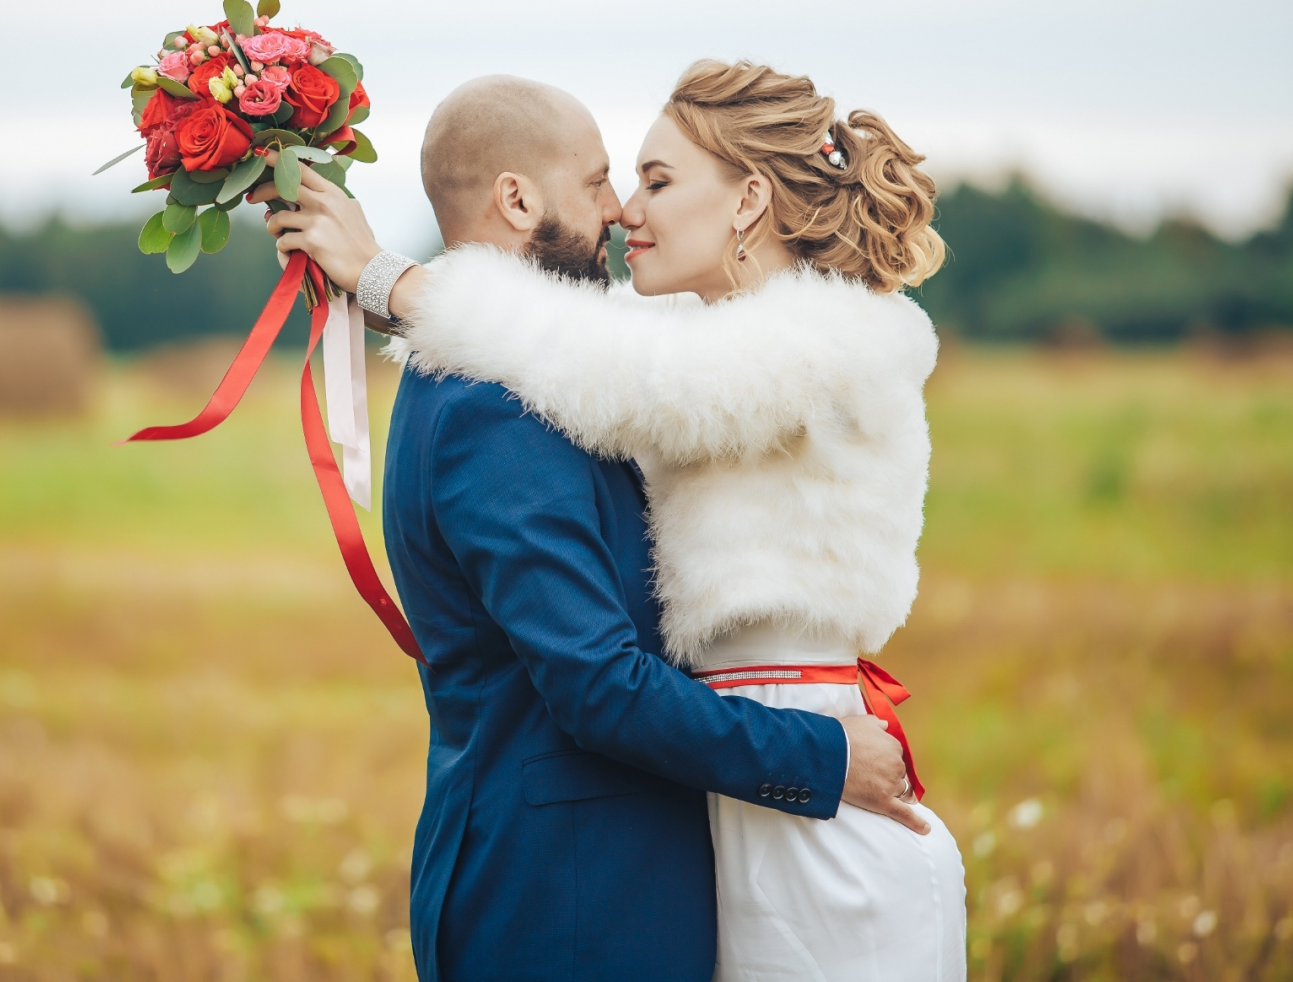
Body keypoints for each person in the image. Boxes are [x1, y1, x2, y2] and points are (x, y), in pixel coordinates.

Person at [258, 64, 965, 980]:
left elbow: (612, 367)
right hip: (668, 837)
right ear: (517, 199)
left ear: (749, 200)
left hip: (801, 802)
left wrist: (389, 278)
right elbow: (591, 358)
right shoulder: (516, 392)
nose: (626, 210)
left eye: (652, 181)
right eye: (607, 182)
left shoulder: (819, 344)